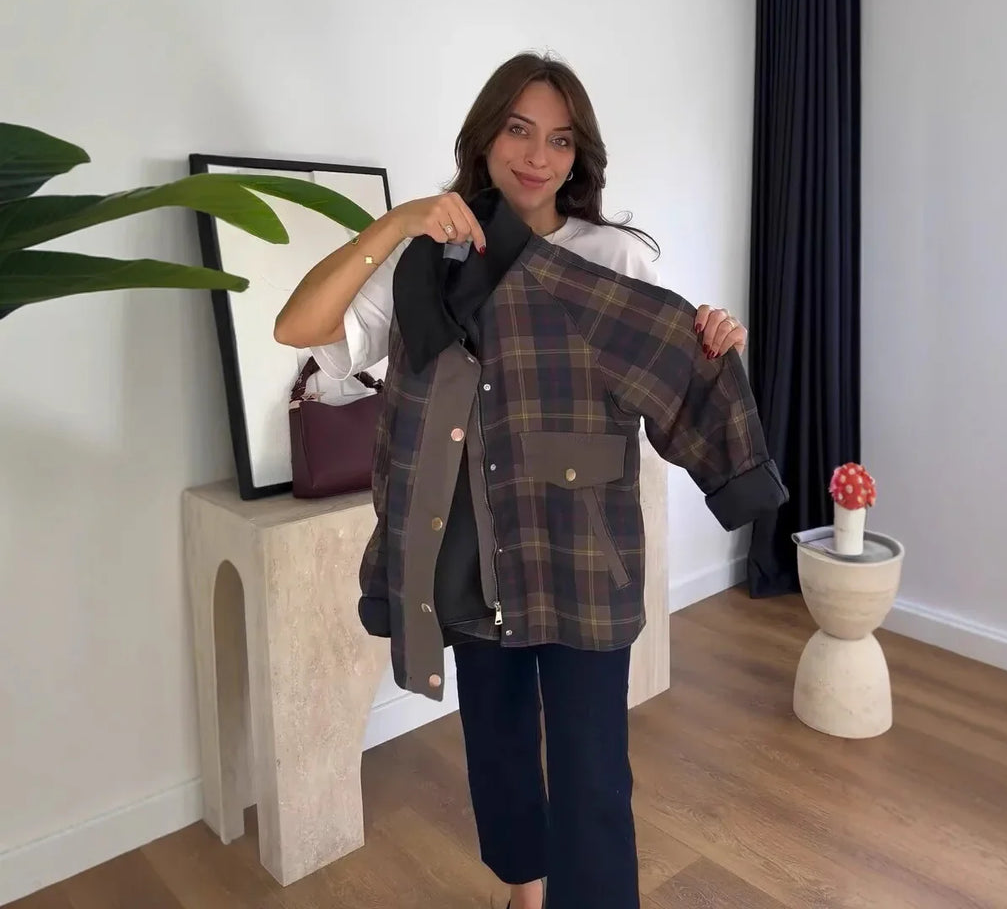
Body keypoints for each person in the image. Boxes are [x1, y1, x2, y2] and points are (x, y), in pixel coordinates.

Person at [275, 53, 784, 909]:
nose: (536, 156)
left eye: (559, 139)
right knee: (498, 745)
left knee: (591, 772)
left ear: (578, 157)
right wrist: (396, 224)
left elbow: (672, 369)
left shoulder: (608, 256)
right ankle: (525, 888)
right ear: (486, 136)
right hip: (466, 543)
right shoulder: (423, 263)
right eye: (519, 130)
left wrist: (715, 345)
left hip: (580, 549)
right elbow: (301, 326)